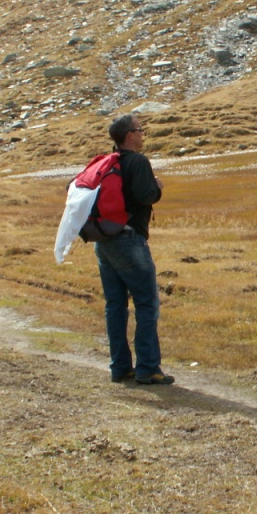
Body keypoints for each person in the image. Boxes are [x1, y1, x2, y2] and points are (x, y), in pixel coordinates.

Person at [96, 114, 173, 386]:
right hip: (130, 240)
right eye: (140, 129)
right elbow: (144, 196)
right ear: (130, 135)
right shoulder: (138, 162)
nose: (143, 134)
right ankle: (148, 368)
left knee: (115, 306)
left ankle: (120, 368)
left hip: (104, 241)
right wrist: (157, 187)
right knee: (147, 304)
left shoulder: (108, 162)